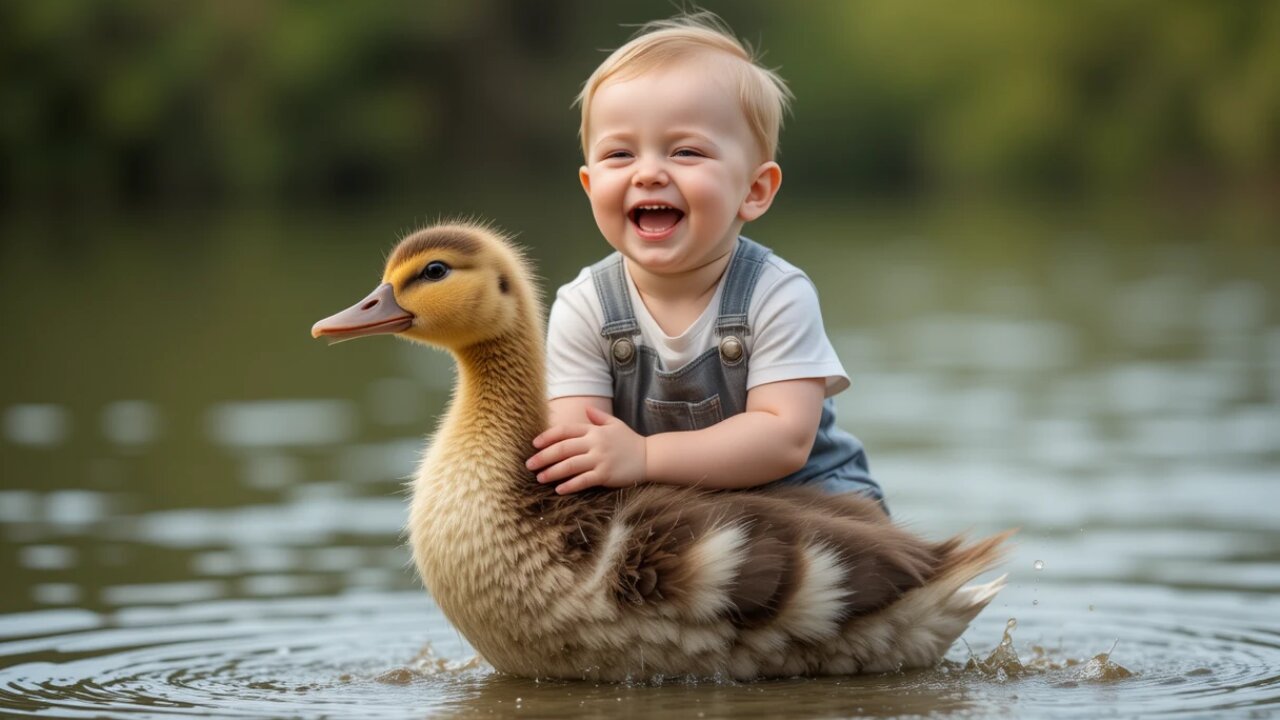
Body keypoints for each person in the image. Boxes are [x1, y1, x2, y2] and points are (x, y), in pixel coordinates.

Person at [525, 12, 886, 512]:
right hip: (676, 518)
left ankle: (893, 586)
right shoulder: (584, 307)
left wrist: (646, 454)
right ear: (589, 187)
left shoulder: (777, 294)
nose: (649, 173)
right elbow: (576, 445)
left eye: (687, 152)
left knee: (851, 542)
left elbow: (785, 439)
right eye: (620, 155)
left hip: (810, 504)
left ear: (754, 191)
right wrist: (614, 461)